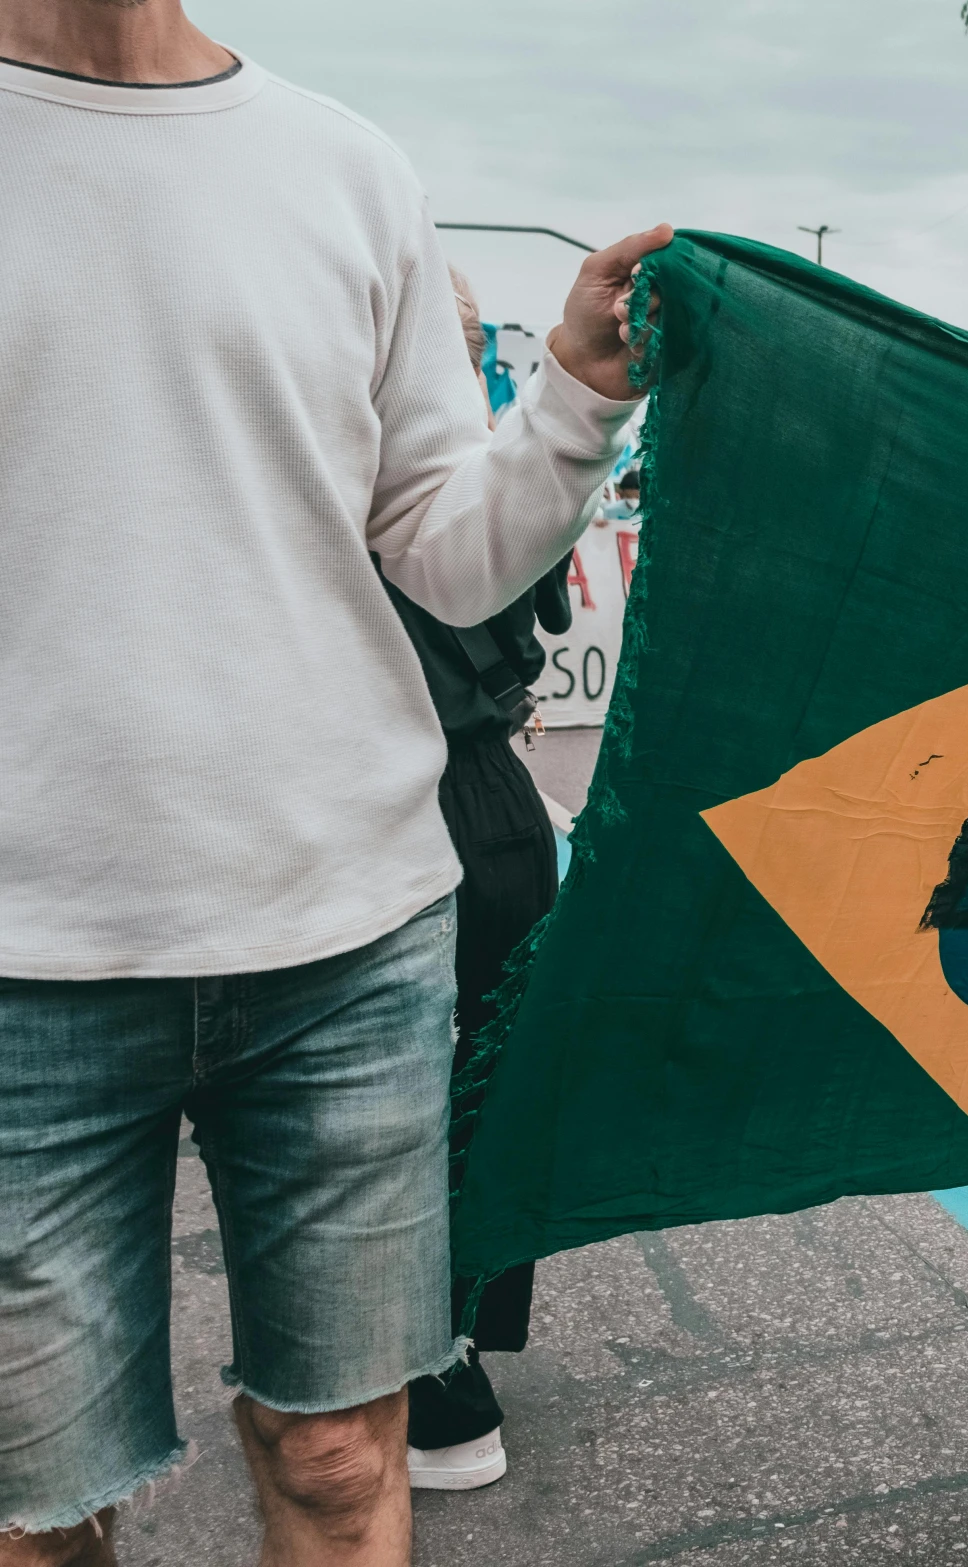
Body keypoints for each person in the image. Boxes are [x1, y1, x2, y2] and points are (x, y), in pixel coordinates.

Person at [0, 5, 667, 1561]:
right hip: (25, 959)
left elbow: (443, 552)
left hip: (350, 936)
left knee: (341, 1458)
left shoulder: (343, 165)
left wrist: (573, 390)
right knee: (34, 1508)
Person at [386, 271, 578, 1493]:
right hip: (467, 789)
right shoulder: (497, 470)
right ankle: (442, 1351)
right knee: (462, 1079)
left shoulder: (358, 459)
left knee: (396, 1092)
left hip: (412, 786)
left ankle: (422, 1353)